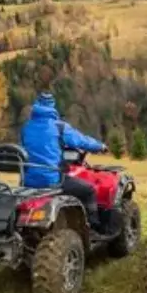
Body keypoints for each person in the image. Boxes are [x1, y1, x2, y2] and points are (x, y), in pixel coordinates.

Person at [20, 90, 108, 231]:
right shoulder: (59, 127)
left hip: (28, 181)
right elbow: (82, 141)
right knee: (89, 190)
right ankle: (93, 228)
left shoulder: (26, 127)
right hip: (51, 180)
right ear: (52, 107)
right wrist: (100, 146)